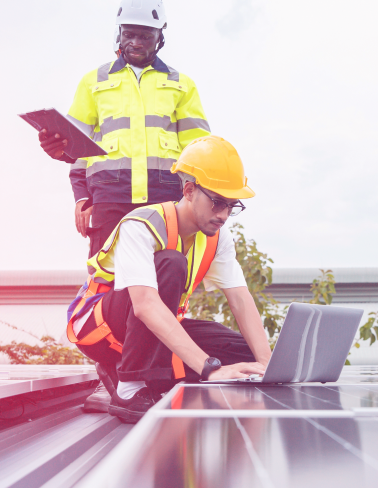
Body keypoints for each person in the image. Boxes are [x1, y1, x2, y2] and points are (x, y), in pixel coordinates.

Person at [38, 0, 211, 411]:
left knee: (165, 278)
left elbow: (200, 150)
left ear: (160, 37)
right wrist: (80, 191)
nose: (136, 41)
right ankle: (112, 380)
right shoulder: (93, 82)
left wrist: (203, 200)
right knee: (110, 288)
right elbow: (75, 147)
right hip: (109, 197)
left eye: (145, 35)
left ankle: (144, 377)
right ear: (118, 35)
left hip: (165, 199)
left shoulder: (181, 85)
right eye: (129, 33)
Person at [65, 136, 271, 423]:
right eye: (217, 203)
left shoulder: (217, 236)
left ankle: (156, 377)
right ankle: (130, 385)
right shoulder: (142, 224)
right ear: (189, 190)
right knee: (171, 262)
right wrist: (209, 369)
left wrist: (267, 364)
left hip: (150, 329)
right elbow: (146, 306)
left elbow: (240, 299)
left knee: (243, 354)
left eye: (231, 206)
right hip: (99, 329)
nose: (224, 215)